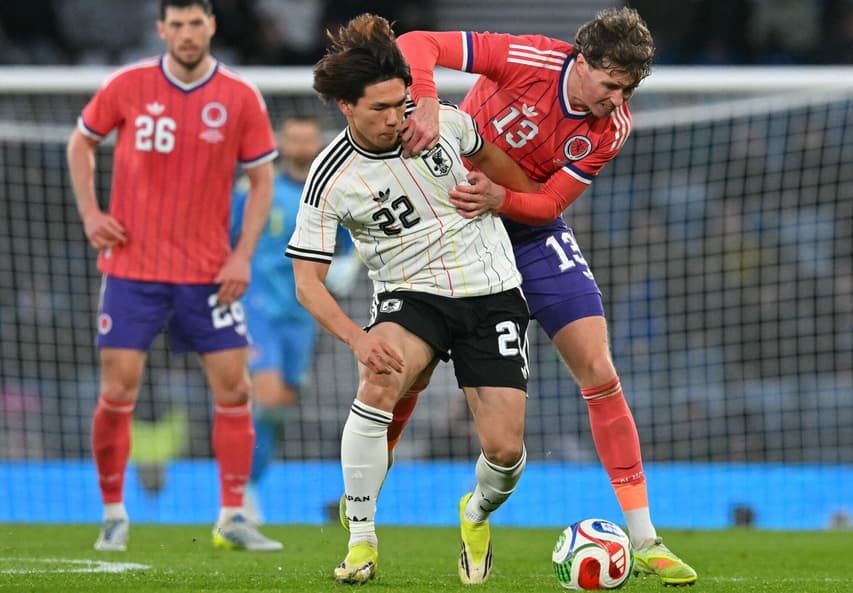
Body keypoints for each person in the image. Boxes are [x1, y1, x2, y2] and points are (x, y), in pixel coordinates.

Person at [390, 7, 698, 586]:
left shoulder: (613, 127)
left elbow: (549, 205)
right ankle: (363, 527)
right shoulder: (527, 57)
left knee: (599, 369)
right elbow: (417, 43)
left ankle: (646, 538)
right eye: (610, 84)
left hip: (526, 228)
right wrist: (426, 99)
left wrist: (500, 198)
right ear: (582, 62)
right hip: (457, 227)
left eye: (627, 88)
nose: (616, 99)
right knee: (411, 374)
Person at [288, 13, 539, 585]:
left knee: (504, 452)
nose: (395, 118)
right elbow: (307, 282)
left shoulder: (444, 124)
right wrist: (358, 338)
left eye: (401, 103)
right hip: (411, 296)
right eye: (379, 109)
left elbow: (510, 178)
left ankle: (475, 513)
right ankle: (360, 541)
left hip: (493, 289)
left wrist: (499, 194)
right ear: (346, 108)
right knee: (379, 379)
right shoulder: (331, 176)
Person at [66, 0, 282, 552]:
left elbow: (262, 181)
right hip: (132, 270)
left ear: (211, 26)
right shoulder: (128, 85)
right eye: (177, 25)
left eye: (196, 23)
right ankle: (113, 513)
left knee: (235, 389)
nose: (187, 34)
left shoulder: (240, 97)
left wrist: (241, 255)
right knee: (117, 389)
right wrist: (91, 213)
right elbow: (81, 142)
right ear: (162, 29)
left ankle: (232, 516)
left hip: (209, 274)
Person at [230, 114, 361, 525]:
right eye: (294, 139)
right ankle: (235, 481)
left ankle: (248, 486)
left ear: (316, 144)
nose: (301, 147)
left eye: (308, 140)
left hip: (303, 317)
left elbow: (346, 247)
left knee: (275, 410)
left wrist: (346, 265)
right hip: (258, 308)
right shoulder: (256, 189)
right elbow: (228, 242)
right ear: (283, 144)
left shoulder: (328, 193)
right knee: (265, 398)